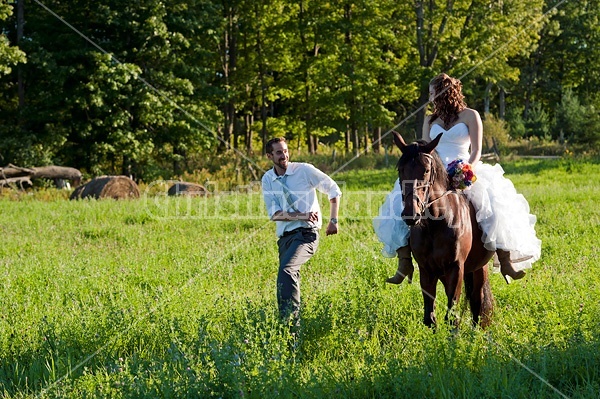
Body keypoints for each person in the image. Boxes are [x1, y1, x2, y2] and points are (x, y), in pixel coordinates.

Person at [373, 73, 541, 284]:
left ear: (446, 92)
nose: (431, 97)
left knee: (494, 202)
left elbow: (477, 149)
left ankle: (504, 258)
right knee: (400, 202)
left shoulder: (471, 115)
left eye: (433, 93)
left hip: (463, 167)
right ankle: (404, 261)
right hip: (434, 173)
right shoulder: (430, 119)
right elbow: (427, 151)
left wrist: (465, 170)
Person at [262, 137, 342, 327]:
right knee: (285, 279)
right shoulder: (268, 179)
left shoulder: (303, 170)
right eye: (279, 152)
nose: (284, 155)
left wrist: (333, 221)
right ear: (269, 156)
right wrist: (301, 214)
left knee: (287, 271)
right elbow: (274, 214)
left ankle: (292, 326)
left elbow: (333, 189)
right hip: (285, 238)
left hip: (307, 234)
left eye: (286, 151)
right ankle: (285, 326)